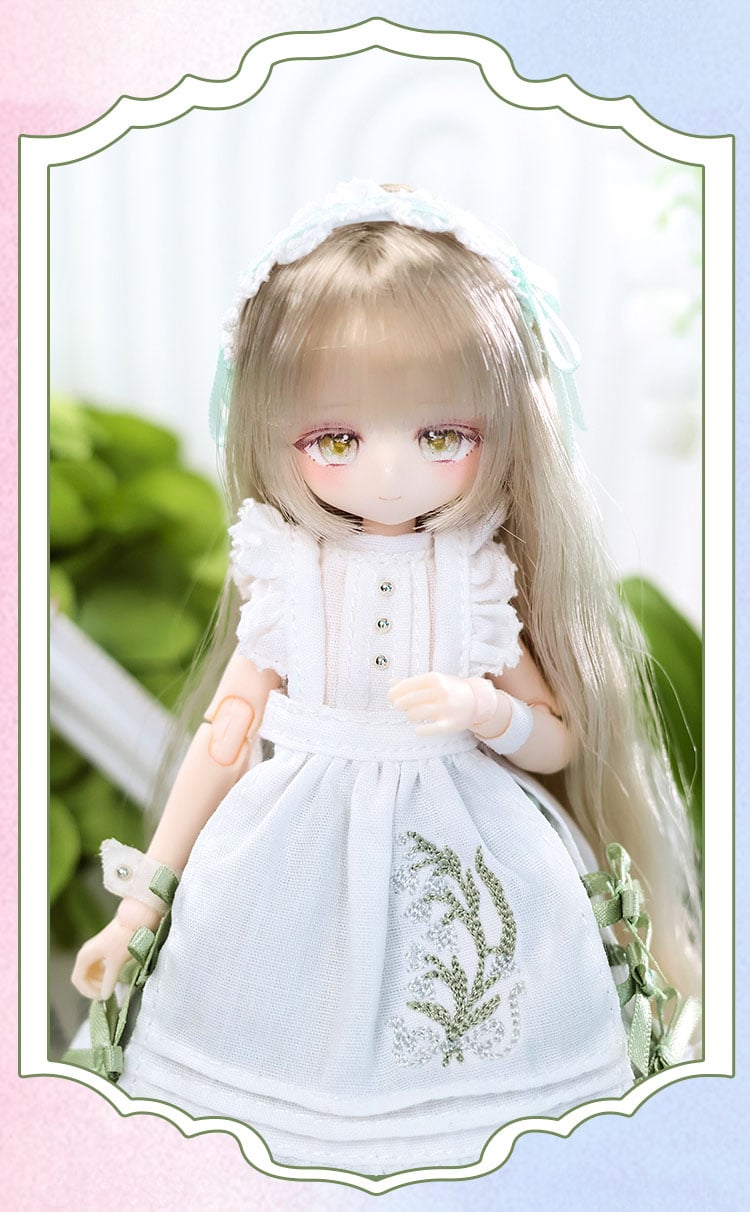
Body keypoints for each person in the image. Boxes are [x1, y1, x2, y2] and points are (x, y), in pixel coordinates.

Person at [71, 180, 701, 1174]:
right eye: (338, 440)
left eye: (441, 436)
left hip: (468, 836)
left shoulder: (472, 576)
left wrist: (486, 711)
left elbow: (557, 735)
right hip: (285, 845)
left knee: (482, 1048)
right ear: (274, 434)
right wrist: (142, 903)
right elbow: (224, 741)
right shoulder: (286, 573)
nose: (391, 472)